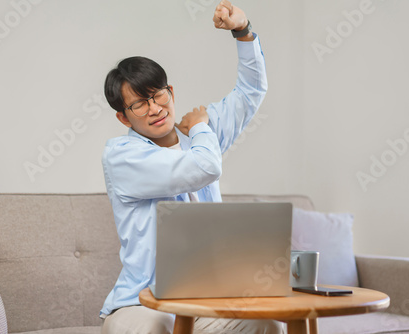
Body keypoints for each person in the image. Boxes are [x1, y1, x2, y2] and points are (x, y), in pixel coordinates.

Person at [100, 1, 280, 333]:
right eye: (140, 103)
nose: (155, 108)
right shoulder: (122, 156)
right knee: (158, 326)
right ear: (123, 116)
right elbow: (205, 167)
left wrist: (243, 31)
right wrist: (199, 128)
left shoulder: (200, 136)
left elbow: (252, 92)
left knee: (268, 325)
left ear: (171, 91)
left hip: (206, 299)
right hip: (142, 302)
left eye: (159, 95)